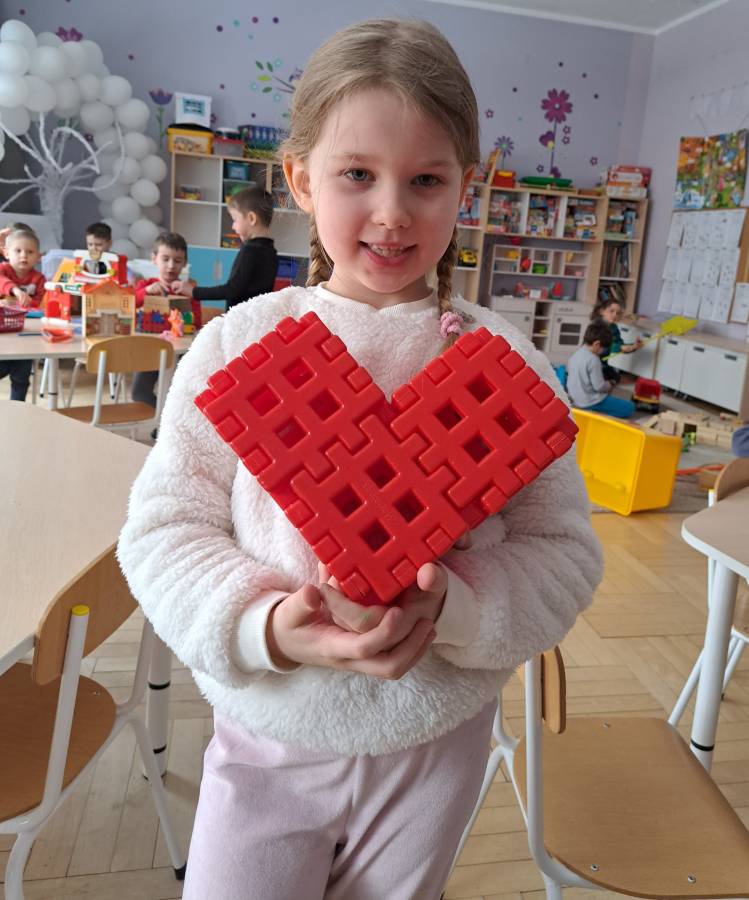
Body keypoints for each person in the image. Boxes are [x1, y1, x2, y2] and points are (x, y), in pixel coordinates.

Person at [117, 19, 603, 900]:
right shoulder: (237, 347)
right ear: (301, 179)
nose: (391, 212)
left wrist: (457, 606)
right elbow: (162, 533)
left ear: (466, 186)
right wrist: (266, 625)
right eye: (356, 176)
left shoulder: (504, 366)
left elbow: (563, 554)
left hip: (434, 745)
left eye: (426, 180)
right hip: (269, 737)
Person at [171, 185, 278, 309]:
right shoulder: (271, 251)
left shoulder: (250, 251)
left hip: (240, 317)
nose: (233, 226)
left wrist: (193, 291)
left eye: (235, 219)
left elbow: (231, 290)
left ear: (251, 218)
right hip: (255, 315)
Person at [132, 232, 199, 408]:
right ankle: (162, 414)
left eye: (177, 261)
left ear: (184, 263)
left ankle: (169, 416)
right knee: (139, 393)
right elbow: (129, 304)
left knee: (178, 394)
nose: (171, 266)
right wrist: (146, 292)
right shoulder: (145, 285)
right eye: (165, 259)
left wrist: (190, 294)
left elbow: (197, 322)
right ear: (154, 259)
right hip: (150, 351)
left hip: (180, 354)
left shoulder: (189, 289)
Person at [0, 227, 45, 401]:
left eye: (30, 252)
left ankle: (18, 408)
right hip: (3, 336)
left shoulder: (39, 279)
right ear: (6, 253)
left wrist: (21, 304)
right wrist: (16, 291)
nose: (23, 256)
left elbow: (38, 304)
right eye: (17, 251)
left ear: (38, 256)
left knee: (21, 378)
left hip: (25, 334)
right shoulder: (3, 269)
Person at [567, 320, 635, 419]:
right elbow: (599, 387)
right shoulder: (594, 359)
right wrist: (611, 383)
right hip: (589, 401)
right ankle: (598, 414)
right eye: (604, 348)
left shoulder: (576, 354)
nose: (604, 351)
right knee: (630, 407)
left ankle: (596, 412)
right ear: (597, 344)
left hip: (575, 399)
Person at [590, 296, 642, 383]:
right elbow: (602, 348)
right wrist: (620, 348)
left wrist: (633, 347)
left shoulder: (614, 327)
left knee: (616, 379)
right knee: (600, 382)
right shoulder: (596, 326)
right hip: (593, 363)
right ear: (602, 311)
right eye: (611, 311)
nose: (615, 315)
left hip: (604, 364)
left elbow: (619, 344)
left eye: (617, 313)